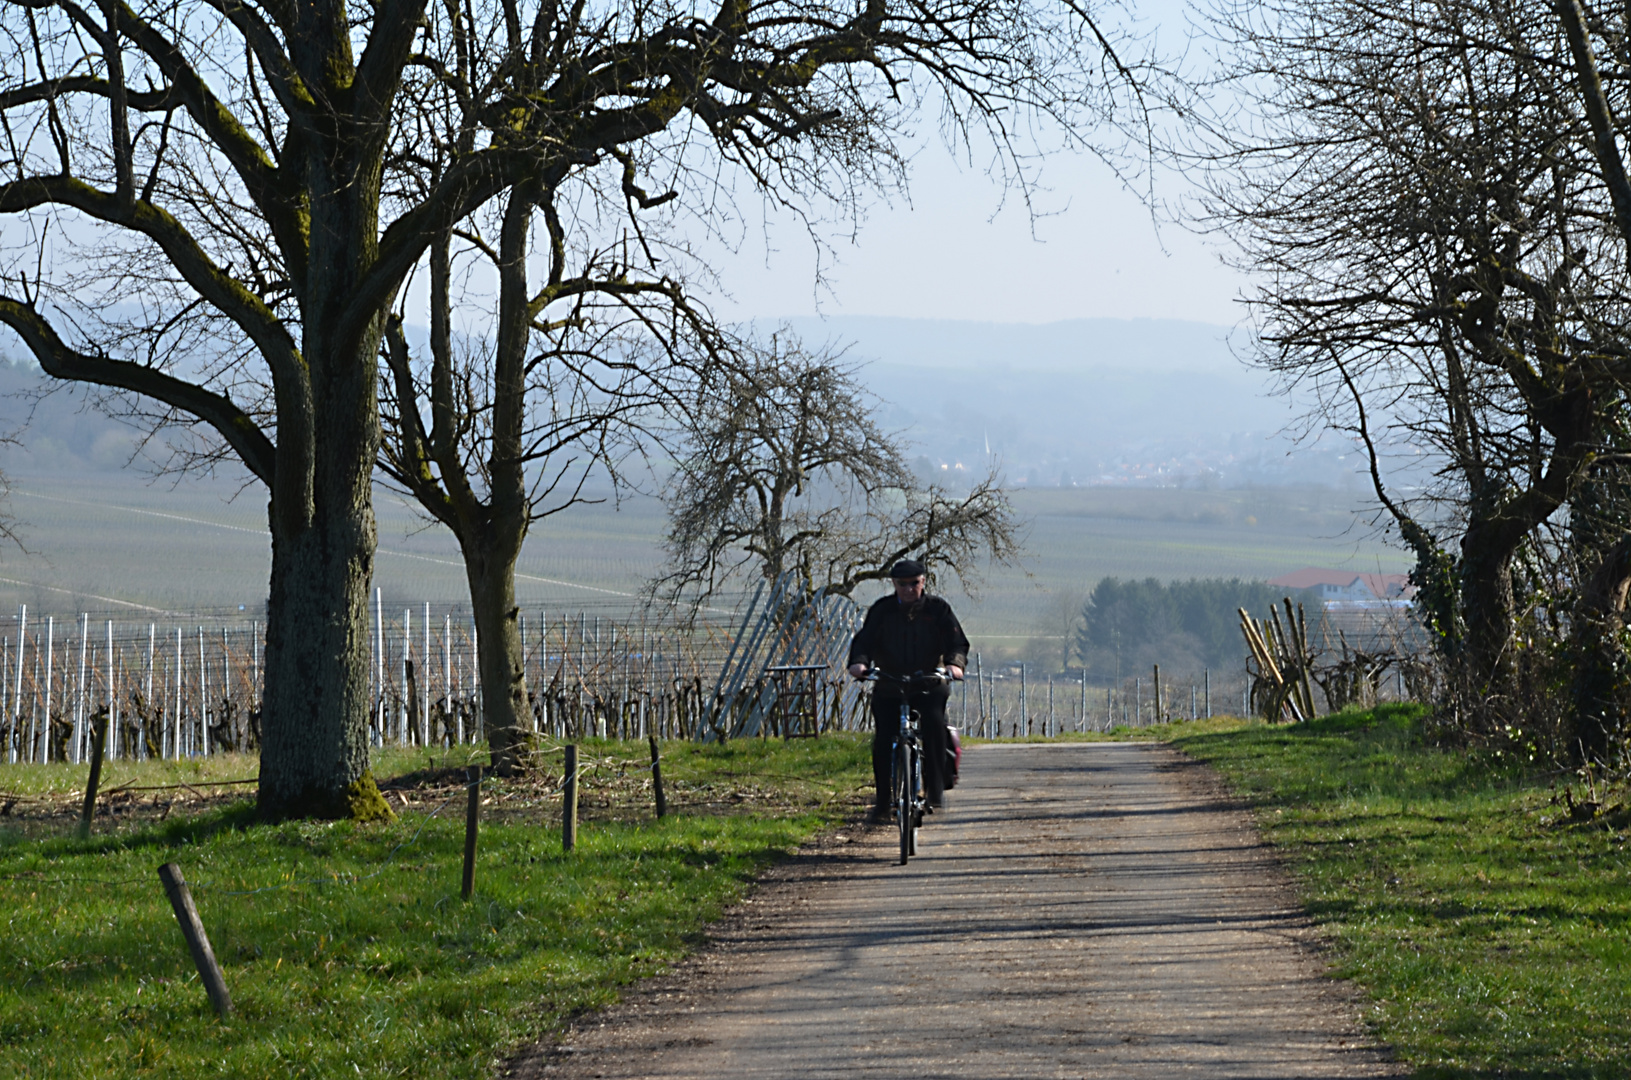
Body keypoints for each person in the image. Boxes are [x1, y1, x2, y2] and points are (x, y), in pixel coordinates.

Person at [847, 559, 969, 823]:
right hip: (890, 684)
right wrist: (859, 663)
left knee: (934, 727)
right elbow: (864, 641)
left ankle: (935, 791)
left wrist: (953, 664)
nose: (909, 589)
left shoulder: (938, 610)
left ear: (923, 582)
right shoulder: (882, 610)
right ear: (894, 584)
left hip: (927, 683)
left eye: (915, 583)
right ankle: (882, 803)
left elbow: (956, 642)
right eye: (903, 584)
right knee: (882, 740)